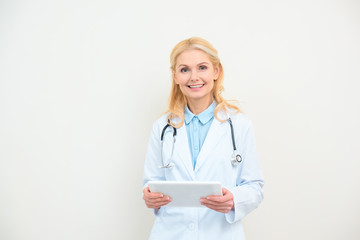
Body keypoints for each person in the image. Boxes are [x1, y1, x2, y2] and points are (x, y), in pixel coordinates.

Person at [142, 37, 264, 240]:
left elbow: (254, 186)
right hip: (171, 233)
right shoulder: (162, 127)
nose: (194, 77)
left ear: (216, 71)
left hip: (221, 233)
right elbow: (151, 183)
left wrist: (234, 199)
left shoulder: (240, 125)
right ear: (175, 76)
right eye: (184, 70)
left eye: (202, 67)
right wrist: (149, 196)